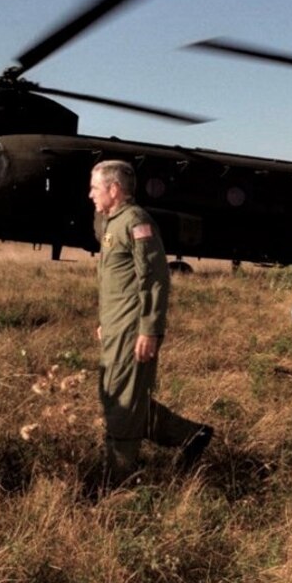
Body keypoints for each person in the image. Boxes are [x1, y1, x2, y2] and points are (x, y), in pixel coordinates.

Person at [89, 160, 213, 487]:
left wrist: (149, 329)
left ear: (113, 189)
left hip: (133, 330)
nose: (91, 195)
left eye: (95, 187)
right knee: (117, 396)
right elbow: (118, 281)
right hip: (116, 328)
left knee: (121, 403)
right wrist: (105, 322)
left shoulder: (135, 222)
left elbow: (155, 279)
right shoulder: (112, 224)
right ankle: (191, 435)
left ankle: (117, 482)